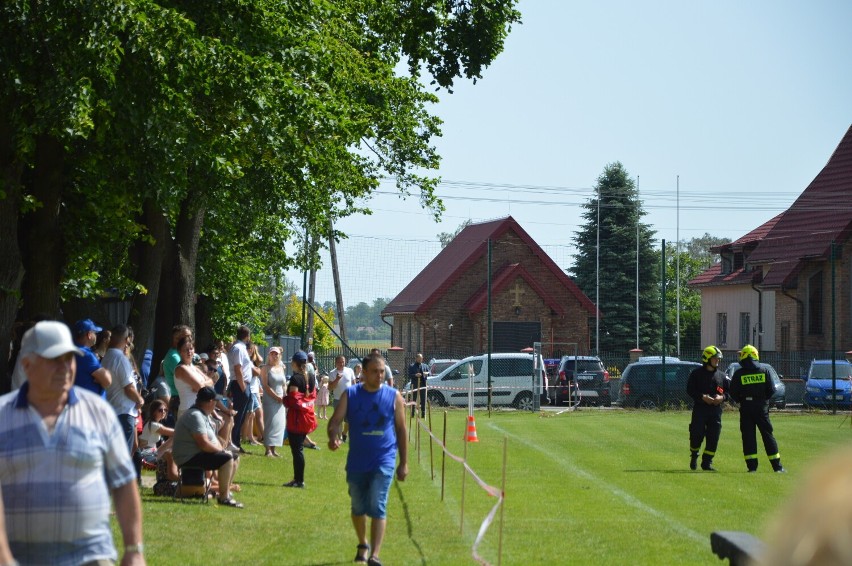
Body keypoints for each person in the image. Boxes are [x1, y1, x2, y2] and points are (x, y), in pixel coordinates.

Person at [0, 321, 145, 565]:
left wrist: (134, 549)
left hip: (90, 556)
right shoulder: (4, 416)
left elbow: (124, 483)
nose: (65, 367)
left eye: (69, 358)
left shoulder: (99, 412)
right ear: (27, 365)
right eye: (54, 359)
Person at [328, 353, 408, 566]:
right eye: (374, 371)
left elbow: (401, 430)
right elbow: (335, 421)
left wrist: (404, 463)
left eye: (382, 371)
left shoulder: (394, 396)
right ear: (363, 372)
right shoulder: (351, 395)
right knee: (358, 506)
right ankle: (363, 544)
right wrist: (333, 437)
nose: (379, 375)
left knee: (377, 503)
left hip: (384, 459)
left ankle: (375, 555)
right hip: (357, 461)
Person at [172, 386, 243, 508]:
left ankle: (225, 493)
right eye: (216, 401)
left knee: (235, 457)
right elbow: (203, 444)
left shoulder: (202, 415)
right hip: (188, 457)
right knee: (227, 458)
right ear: (210, 402)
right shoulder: (195, 416)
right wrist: (223, 451)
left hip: (196, 454)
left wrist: (223, 451)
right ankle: (223, 498)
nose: (216, 405)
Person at [729, 345, 785, 473]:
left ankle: (752, 467)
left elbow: (733, 392)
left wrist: (741, 400)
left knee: (748, 437)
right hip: (761, 408)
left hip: (746, 408)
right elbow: (771, 390)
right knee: (767, 435)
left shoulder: (739, 373)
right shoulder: (765, 371)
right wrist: (763, 400)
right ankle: (777, 466)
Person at [103, 325, 146, 481]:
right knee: (124, 453)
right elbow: (128, 388)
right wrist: (140, 399)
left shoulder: (107, 357)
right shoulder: (120, 358)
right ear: (127, 339)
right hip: (123, 410)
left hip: (112, 409)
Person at [686, 345, 725, 471]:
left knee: (714, 436)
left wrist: (722, 398)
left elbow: (729, 392)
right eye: (715, 359)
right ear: (707, 359)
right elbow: (690, 390)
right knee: (696, 434)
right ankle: (694, 456)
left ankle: (707, 463)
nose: (717, 361)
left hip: (716, 411)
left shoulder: (722, 376)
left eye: (718, 359)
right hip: (700, 409)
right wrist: (702, 397)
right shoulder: (696, 374)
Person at [282, 350, 317, 488]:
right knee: (299, 449)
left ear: (295, 363)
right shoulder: (311, 377)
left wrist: (285, 398)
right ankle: (297, 479)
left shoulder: (296, 379)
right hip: (306, 417)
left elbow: (292, 399)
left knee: (297, 451)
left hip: (296, 419)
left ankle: (299, 480)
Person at [173, 337, 214, 419]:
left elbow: (211, 381)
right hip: (188, 410)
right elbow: (200, 388)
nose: (189, 352)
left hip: (199, 409)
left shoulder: (193, 367)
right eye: (185, 350)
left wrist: (202, 384)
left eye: (191, 349)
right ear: (180, 352)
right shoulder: (181, 368)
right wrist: (201, 385)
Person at [228, 325, 254, 453]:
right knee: (238, 416)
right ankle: (233, 442)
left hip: (243, 384)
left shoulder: (240, 348)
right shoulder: (238, 348)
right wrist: (243, 388)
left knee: (242, 416)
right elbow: (238, 369)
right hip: (240, 385)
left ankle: (236, 442)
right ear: (247, 336)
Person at [72, 318, 112, 397]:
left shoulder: (71, 351)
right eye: (95, 333)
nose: (96, 335)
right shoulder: (86, 355)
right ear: (89, 335)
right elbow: (107, 381)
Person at [261, 347, 287, 457]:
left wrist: (285, 395)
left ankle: (274, 449)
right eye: (272, 354)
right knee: (270, 423)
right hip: (270, 399)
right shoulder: (265, 368)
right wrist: (276, 397)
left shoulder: (281, 368)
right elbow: (266, 386)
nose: (274, 356)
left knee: (279, 424)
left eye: (276, 354)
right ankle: (268, 450)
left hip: (281, 400)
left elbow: (284, 383)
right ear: (269, 355)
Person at [329, 355, 355, 442]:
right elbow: (330, 387)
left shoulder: (349, 371)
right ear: (336, 363)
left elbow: (354, 384)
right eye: (339, 362)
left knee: (349, 420)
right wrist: (337, 379)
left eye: (343, 362)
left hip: (349, 399)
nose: (341, 364)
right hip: (337, 399)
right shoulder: (332, 373)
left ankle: (344, 433)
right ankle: (340, 437)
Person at [408, 353, 430, 418]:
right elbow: (409, 375)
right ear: (416, 358)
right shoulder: (412, 366)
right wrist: (415, 375)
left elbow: (429, 373)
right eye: (419, 358)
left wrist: (426, 374)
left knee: (423, 400)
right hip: (414, 384)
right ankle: (412, 414)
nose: (421, 360)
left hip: (423, 384)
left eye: (422, 358)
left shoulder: (425, 366)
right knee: (413, 399)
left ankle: (423, 414)